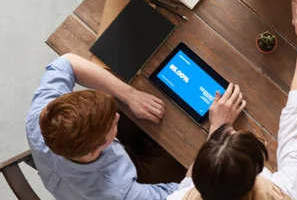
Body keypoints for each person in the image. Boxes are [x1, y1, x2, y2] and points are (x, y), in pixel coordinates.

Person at [168, 4, 297, 200]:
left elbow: (186, 186)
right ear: (255, 175)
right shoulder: (285, 192)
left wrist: (217, 126)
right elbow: (294, 124)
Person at [26, 53, 186, 199]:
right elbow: (186, 195)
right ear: (95, 150)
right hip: (122, 181)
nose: (117, 116)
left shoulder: (43, 116)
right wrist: (212, 133)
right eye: (112, 124)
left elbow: (66, 62)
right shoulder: (118, 192)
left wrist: (130, 94)